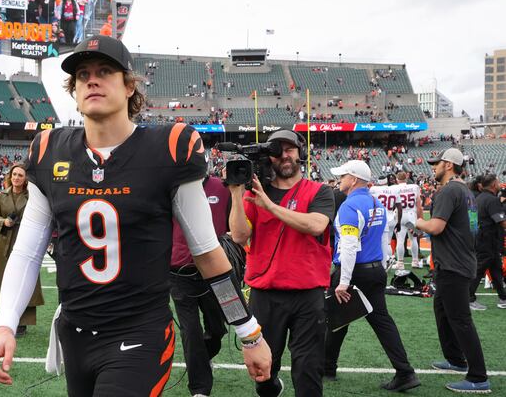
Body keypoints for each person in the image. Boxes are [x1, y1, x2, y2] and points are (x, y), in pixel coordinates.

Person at [0, 35, 272, 395]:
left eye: (105, 71)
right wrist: (4, 325)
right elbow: (27, 251)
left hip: (140, 333)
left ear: (129, 86)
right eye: (82, 74)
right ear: (72, 89)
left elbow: (207, 253)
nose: (92, 79)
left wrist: (248, 332)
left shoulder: (169, 148)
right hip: (75, 332)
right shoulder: (48, 149)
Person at [233, 129, 335, 397]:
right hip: (266, 294)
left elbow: (315, 225)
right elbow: (239, 235)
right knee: (263, 369)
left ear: (300, 152)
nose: (284, 155)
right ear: (270, 157)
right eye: (277, 150)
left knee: (308, 368)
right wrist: (235, 192)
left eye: (289, 148)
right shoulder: (255, 194)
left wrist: (270, 207)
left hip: (307, 293)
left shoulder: (319, 191)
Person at [324, 160, 420, 392]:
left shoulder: (349, 206)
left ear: (354, 179)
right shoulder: (375, 202)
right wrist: (384, 261)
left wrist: (344, 281)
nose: (340, 180)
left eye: (344, 175)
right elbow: (383, 235)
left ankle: (326, 367)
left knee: (333, 320)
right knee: (380, 321)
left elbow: (348, 246)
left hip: (355, 271)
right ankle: (405, 371)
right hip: (375, 269)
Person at [416, 148, 491, 393]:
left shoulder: (449, 190)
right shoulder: (466, 191)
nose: (433, 168)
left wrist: (415, 221)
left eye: (437, 164)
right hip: (460, 260)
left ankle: (479, 377)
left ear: (448, 165)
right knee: (442, 309)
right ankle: (456, 359)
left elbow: (436, 227)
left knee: (460, 319)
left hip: (454, 264)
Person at [170, 160, 236, 397]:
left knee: (217, 329)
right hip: (178, 270)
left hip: (214, 270)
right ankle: (199, 389)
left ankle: (202, 358)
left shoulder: (221, 188)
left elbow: (234, 226)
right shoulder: (171, 187)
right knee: (190, 330)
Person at [0, 164, 43, 338]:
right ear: (10, 176)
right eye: (14, 174)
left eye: (20, 175)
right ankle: (5, 316)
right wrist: (3, 222)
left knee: (25, 278)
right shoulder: (1, 196)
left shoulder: (33, 197)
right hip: (5, 241)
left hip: (25, 239)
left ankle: (23, 321)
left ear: (26, 178)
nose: (17, 177)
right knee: (4, 279)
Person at [469, 174, 506, 310]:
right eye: (497, 182)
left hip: (481, 238)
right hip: (488, 240)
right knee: (479, 269)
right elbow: (502, 222)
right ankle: (469, 298)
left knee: (496, 270)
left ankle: (503, 298)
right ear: (493, 185)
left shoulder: (478, 198)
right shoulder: (492, 200)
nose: (499, 184)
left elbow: (472, 222)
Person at [393, 171, 423, 268]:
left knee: (400, 240)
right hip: (411, 215)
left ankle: (400, 263)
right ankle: (415, 261)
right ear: (406, 179)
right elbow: (419, 206)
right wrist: (420, 219)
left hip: (400, 216)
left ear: (397, 180)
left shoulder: (394, 188)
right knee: (413, 239)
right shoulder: (414, 187)